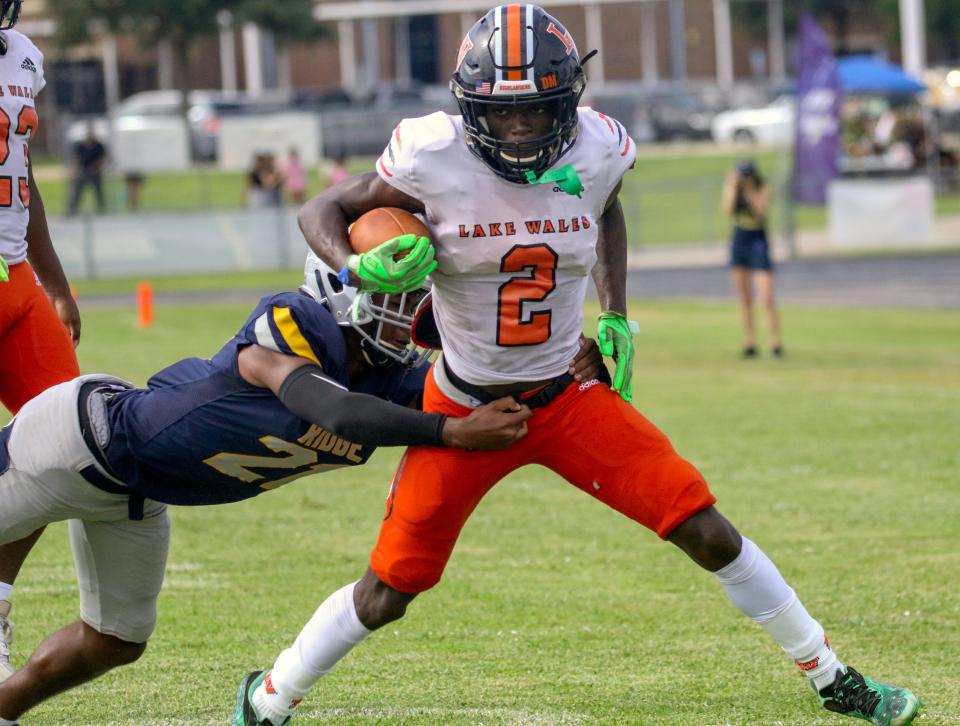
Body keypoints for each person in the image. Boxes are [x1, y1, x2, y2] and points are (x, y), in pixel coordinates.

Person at [236, 6, 921, 726]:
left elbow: (608, 208)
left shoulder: (598, 150)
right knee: (389, 589)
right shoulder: (427, 156)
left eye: (537, 112)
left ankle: (833, 676)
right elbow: (324, 207)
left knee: (706, 528)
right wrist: (354, 267)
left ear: (569, 101)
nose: (521, 130)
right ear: (471, 109)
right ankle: (270, 696)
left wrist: (615, 311)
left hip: (566, 393)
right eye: (504, 116)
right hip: (463, 406)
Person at [0, 248, 605, 722]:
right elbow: (332, 411)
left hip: (136, 496)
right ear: (340, 290)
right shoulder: (290, 322)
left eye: (418, 294)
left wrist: (568, 367)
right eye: (395, 294)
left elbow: (497, 400)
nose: (413, 310)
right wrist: (450, 432)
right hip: (77, 439)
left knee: (116, 640)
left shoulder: (395, 383)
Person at [0, 0, 82, 685]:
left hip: (18, 278)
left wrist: (55, 280)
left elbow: (21, 176)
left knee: (64, 447)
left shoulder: (24, 54)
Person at [720, 159, 783, 358]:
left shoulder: (763, 187)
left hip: (758, 239)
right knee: (745, 297)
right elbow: (727, 210)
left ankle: (775, 342)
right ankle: (750, 342)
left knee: (766, 296)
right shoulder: (734, 187)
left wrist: (748, 190)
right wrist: (731, 185)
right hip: (740, 237)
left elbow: (760, 211)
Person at [66, 122, 107, 216]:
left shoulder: (99, 146)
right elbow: (76, 159)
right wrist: (74, 171)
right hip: (83, 171)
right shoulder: (80, 146)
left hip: (95, 172)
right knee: (77, 189)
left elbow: (101, 159)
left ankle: (101, 209)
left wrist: (95, 168)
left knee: (98, 191)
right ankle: (73, 209)